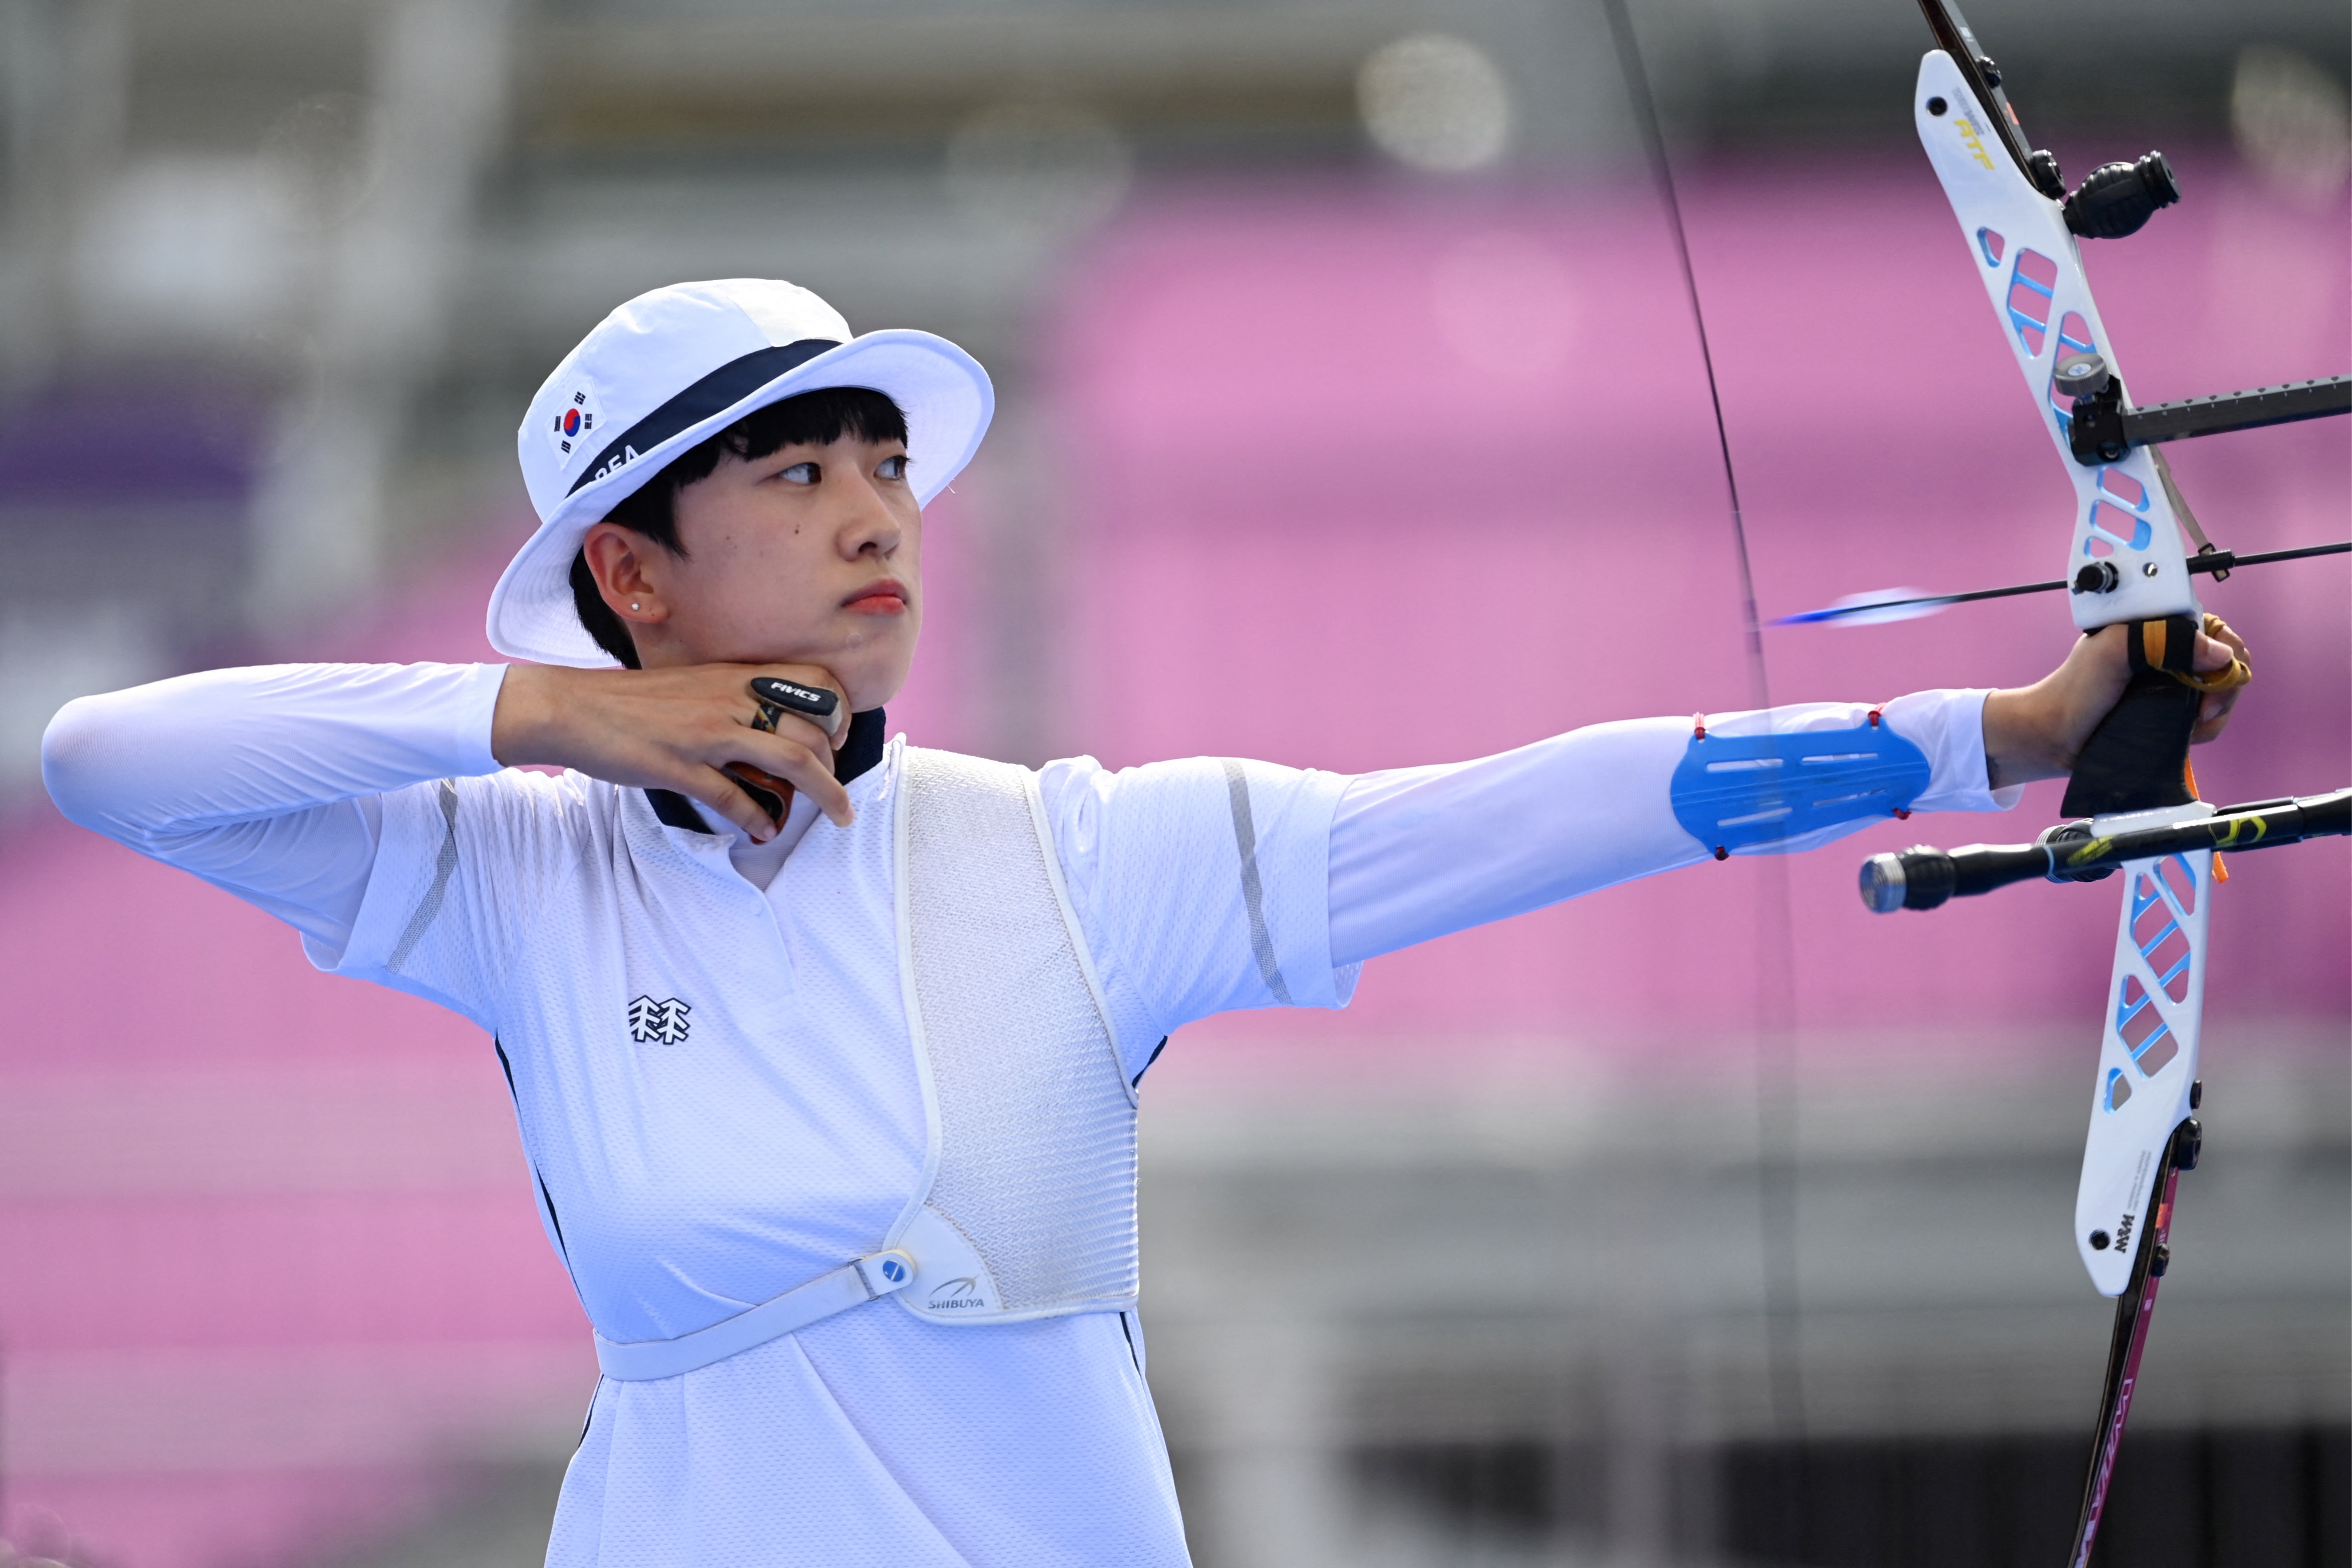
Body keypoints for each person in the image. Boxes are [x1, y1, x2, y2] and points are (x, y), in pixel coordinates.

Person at [41, 279, 2248, 1567]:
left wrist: (2009, 732)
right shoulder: (510, 871)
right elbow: (107, 757)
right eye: (793, 476)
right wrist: (554, 721)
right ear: (636, 572)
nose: (875, 512)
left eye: (882, 464)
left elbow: (1553, 801)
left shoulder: (1083, 855)